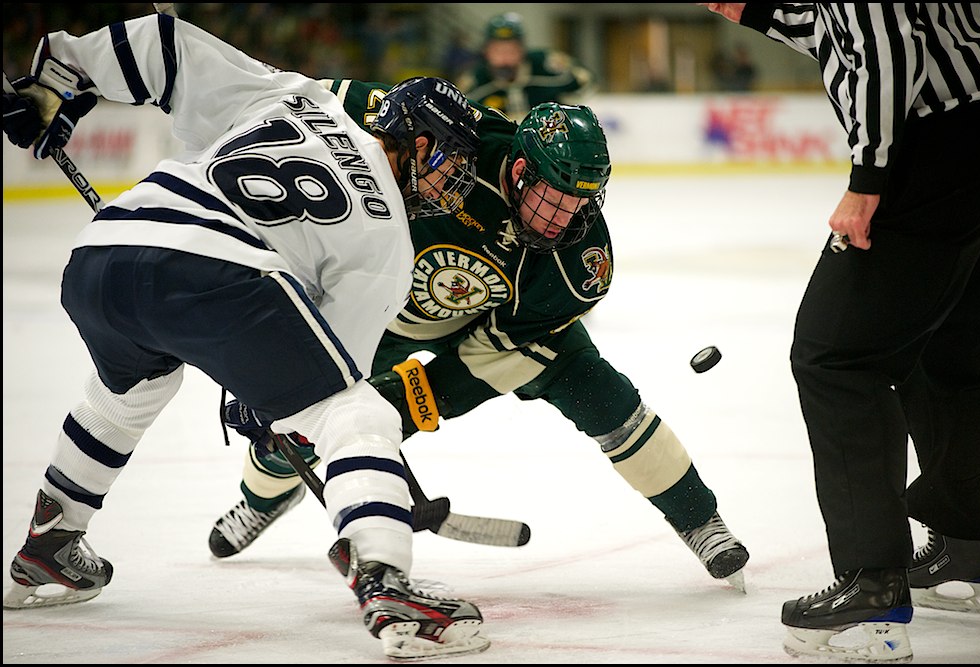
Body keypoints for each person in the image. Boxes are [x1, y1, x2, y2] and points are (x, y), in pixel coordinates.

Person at [1, 12, 491, 661]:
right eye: (450, 162)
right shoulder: (387, 240)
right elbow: (329, 383)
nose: (452, 186)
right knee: (357, 412)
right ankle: (388, 582)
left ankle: (50, 544)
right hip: (214, 271)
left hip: (103, 253)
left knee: (133, 387)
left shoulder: (298, 94)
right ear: (420, 142)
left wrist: (56, 77)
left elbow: (164, 43)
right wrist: (271, 397)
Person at [207, 81, 751, 593]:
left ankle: (700, 521)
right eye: (554, 197)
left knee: (607, 399)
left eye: (581, 202)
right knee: (298, 422)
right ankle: (261, 499)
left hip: (497, 330)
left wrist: (406, 402)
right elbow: (314, 96)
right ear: (518, 170)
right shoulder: (455, 138)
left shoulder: (578, 266)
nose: (566, 218)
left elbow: (490, 359)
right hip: (380, 306)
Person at [699, 3, 980, 662]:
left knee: (835, 357)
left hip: (940, 144)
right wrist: (755, 9)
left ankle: (872, 587)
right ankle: (967, 551)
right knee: (948, 344)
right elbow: (842, 32)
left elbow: (882, 44)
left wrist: (870, 179)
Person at [456, 12, 595, 122]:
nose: (505, 59)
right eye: (497, 51)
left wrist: (567, 109)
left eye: (511, 51)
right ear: (486, 52)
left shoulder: (545, 64)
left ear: (522, 50)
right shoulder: (474, 82)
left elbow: (586, 79)